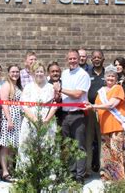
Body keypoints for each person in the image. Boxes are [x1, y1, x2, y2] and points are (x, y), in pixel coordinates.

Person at [53, 49, 91, 184]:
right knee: (67, 146)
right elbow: (62, 95)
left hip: (78, 114)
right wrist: (57, 95)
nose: (73, 61)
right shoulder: (64, 73)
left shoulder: (83, 74)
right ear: (67, 59)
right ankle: (70, 173)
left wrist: (60, 89)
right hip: (64, 114)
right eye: (70, 59)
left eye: (75, 58)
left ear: (79, 59)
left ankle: (80, 176)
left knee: (80, 146)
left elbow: (77, 94)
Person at [86, 64, 125, 181]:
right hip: (104, 127)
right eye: (108, 76)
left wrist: (93, 106)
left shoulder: (118, 88)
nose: (110, 79)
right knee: (107, 154)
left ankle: (119, 179)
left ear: (116, 78)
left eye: (113, 77)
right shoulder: (101, 91)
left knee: (117, 153)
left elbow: (111, 105)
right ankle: (108, 176)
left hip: (116, 126)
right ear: (105, 78)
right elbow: (96, 108)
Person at [19, 61, 57, 166]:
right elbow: (24, 105)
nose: (39, 74)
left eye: (41, 71)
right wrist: (34, 119)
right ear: (32, 73)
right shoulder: (28, 87)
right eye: (37, 71)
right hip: (30, 122)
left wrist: (47, 120)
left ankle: (48, 174)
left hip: (47, 121)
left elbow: (54, 105)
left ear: (45, 73)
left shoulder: (50, 87)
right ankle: (28, 173)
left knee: (47, 145)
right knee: (28, 146)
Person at [0, 64, 23, 182]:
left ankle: (11, 168)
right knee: (6, 145)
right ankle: (4, 172)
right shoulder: (6, 85)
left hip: (17, 118)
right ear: (8, 73)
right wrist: (9, 120)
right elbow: (4, 103)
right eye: (13, 72)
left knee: (13, 146)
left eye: (17, 72)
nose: (15, 74)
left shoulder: (17, 86)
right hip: (9, 118)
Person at [86, 50, 106, 174]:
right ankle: (87, 169)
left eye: (99, 57)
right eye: (94, 57)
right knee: (88, 139)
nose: (97, 59)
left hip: (104, 110)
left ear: (103, 59)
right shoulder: (86, 74)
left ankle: (103, 169)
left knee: (102, 140)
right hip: (89, 111)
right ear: (91, 60)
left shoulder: (108, 73)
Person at [47, 62, 64, 126]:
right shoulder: (45, 86)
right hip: (49, 118)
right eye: (53, 71)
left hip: (63, 117)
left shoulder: (65, 84)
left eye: (57, 71)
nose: (55, 73)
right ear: (49, 73)